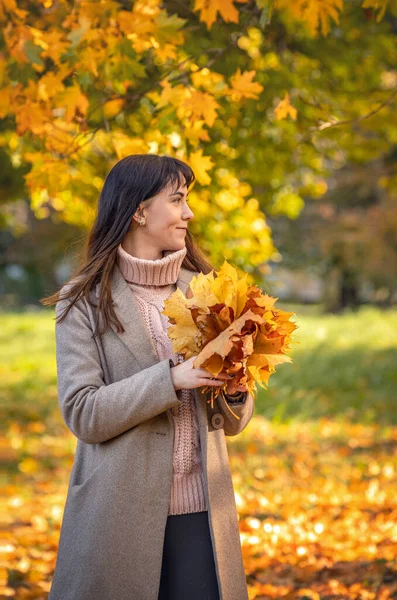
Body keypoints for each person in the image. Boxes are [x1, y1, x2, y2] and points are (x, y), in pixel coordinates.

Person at [42, 154, 255, 600]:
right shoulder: (82, 301)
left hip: (203, 515)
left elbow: (231, 423)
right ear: (140, 211)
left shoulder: (206, 291)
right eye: (177, 200)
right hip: (118, 517)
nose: (189, 213)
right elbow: (83, 412)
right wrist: (172, 380)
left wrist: (235, 392)